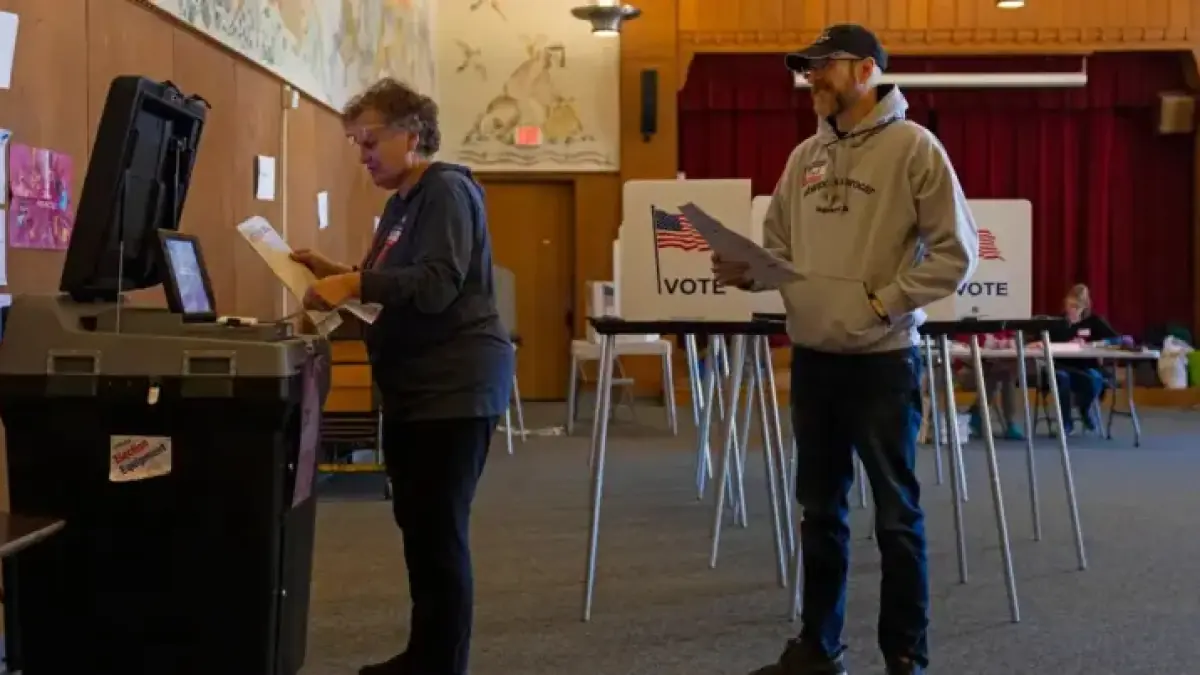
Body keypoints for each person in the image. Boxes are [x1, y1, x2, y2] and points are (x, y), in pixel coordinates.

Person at [714, 24, 978, 675]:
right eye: (806, 67)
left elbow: (957, 255)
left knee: (895, 516)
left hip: (883, 361)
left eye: (823, 65)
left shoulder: (915, 147)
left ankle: (905, 655)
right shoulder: (804, 156)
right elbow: (780, 247)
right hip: (814, 359)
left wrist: (884, 303)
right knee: (819, 511)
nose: (811, 76)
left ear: (865, 70)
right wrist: (752, 271)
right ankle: (819, 647)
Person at [292, 77, 514, 675]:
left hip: (454, 386)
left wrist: (353, 282)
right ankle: (425, 656)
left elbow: (438, 283)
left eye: (369, 141)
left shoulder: (446, 190)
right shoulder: (402, 203)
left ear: (411, 134)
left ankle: (441, 665)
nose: (362, 155)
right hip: (417, 388)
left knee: (439, 533)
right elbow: (395, 285)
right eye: (356, 144)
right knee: (419, 528)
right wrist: (338, 273)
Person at [1044, 283, 1118, 434]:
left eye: (1077, 307)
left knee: (1095, 378)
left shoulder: (1094, 321)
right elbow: (1042, 342)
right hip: (1061, 367)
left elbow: (1117, 339)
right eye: (1070, 306)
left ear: (1084, 308)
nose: (1072, 310)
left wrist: (1094, 344)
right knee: (1061, 378)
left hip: (1085, 367)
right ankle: (1066, 422)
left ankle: (1084, 409)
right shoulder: (1056, 323)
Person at [954, 331, 1025, 441]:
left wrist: (1007, 342)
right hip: (967, 370)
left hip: (992, 368)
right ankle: (1009, 423)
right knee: (1002, 374)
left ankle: (977, 411)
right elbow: (963, 350)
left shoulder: (1000, 327)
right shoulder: (968, 327)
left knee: (1005, 374)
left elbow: (1010, 338)